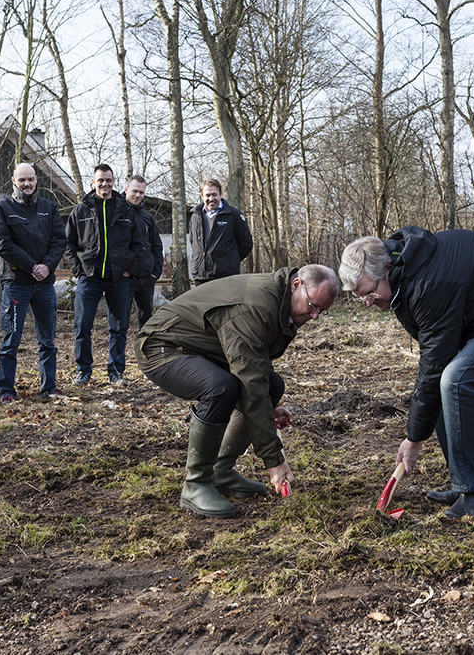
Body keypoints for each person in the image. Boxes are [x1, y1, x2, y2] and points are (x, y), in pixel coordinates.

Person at [339, 227, 474, 523]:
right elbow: (432, 360)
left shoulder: (429, 282)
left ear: (387, 269)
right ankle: (469, 484)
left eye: (371, 292)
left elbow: (436, 361)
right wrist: (417, 430)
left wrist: (414, 438)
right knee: (441, 382)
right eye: (360, 297)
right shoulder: (404, 276)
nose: (369, 302)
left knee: (455, 379)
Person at [136, 264, 338, 518]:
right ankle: (196, 484)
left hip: (206, 349)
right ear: (296, 285)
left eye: (322, 310)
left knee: (273, 385)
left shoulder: (282, 302)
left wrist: (268, 405)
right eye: (313, 305)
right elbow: (251, 384)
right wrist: (274, 460)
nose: (315, 315)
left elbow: (254, 367)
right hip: (162, 347)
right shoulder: (256, 307)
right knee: (220, 388)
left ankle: (222, 472)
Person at [64, 163, 148, 387]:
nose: (104, 184)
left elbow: (139, 244)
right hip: (89, 277)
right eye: (100, 180)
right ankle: (83, 371)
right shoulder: (81, 210)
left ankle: (116, 372)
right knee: (82, 326)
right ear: (94, 181)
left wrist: (129, 269)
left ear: (114, 181)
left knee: (119, 327)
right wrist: (78, 269)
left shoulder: (125, 210)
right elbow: (68, 244)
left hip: (119, 278)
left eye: (108, 180)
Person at [0, 162, 67, 403]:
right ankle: (5, 390)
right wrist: (31, 266)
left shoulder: (48, 208)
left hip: (45, 285)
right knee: (11, 340)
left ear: (37, 181)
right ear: (13, 181)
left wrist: (47, 266)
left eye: (31, 179)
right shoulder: (2, 208)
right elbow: (2, 244)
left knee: (47, 340)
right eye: (22, 179)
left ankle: (49, 388)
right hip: (16, 283)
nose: (27, 184)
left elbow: (59, 241)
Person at [187, 179, 252, 285]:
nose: (211, 199)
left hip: (225, 276)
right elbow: (194, 242)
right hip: (201, 276)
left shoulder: (233, 215)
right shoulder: (195, 216)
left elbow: (246, 244)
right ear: (202, 196)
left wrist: (229, 261)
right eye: (207, 195)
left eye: (214, 194)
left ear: (221, 194)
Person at [125, 175, 163, 328]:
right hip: (125, 279)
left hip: (146, 278)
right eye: (135, 191)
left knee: (147, 321)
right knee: (121, 322)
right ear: (126, 189)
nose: (138, 195)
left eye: (141, 192)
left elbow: (156, 245)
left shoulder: (147, 217)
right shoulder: (117, 213)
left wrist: (155, 273)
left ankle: (145, 351)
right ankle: (119, 353)